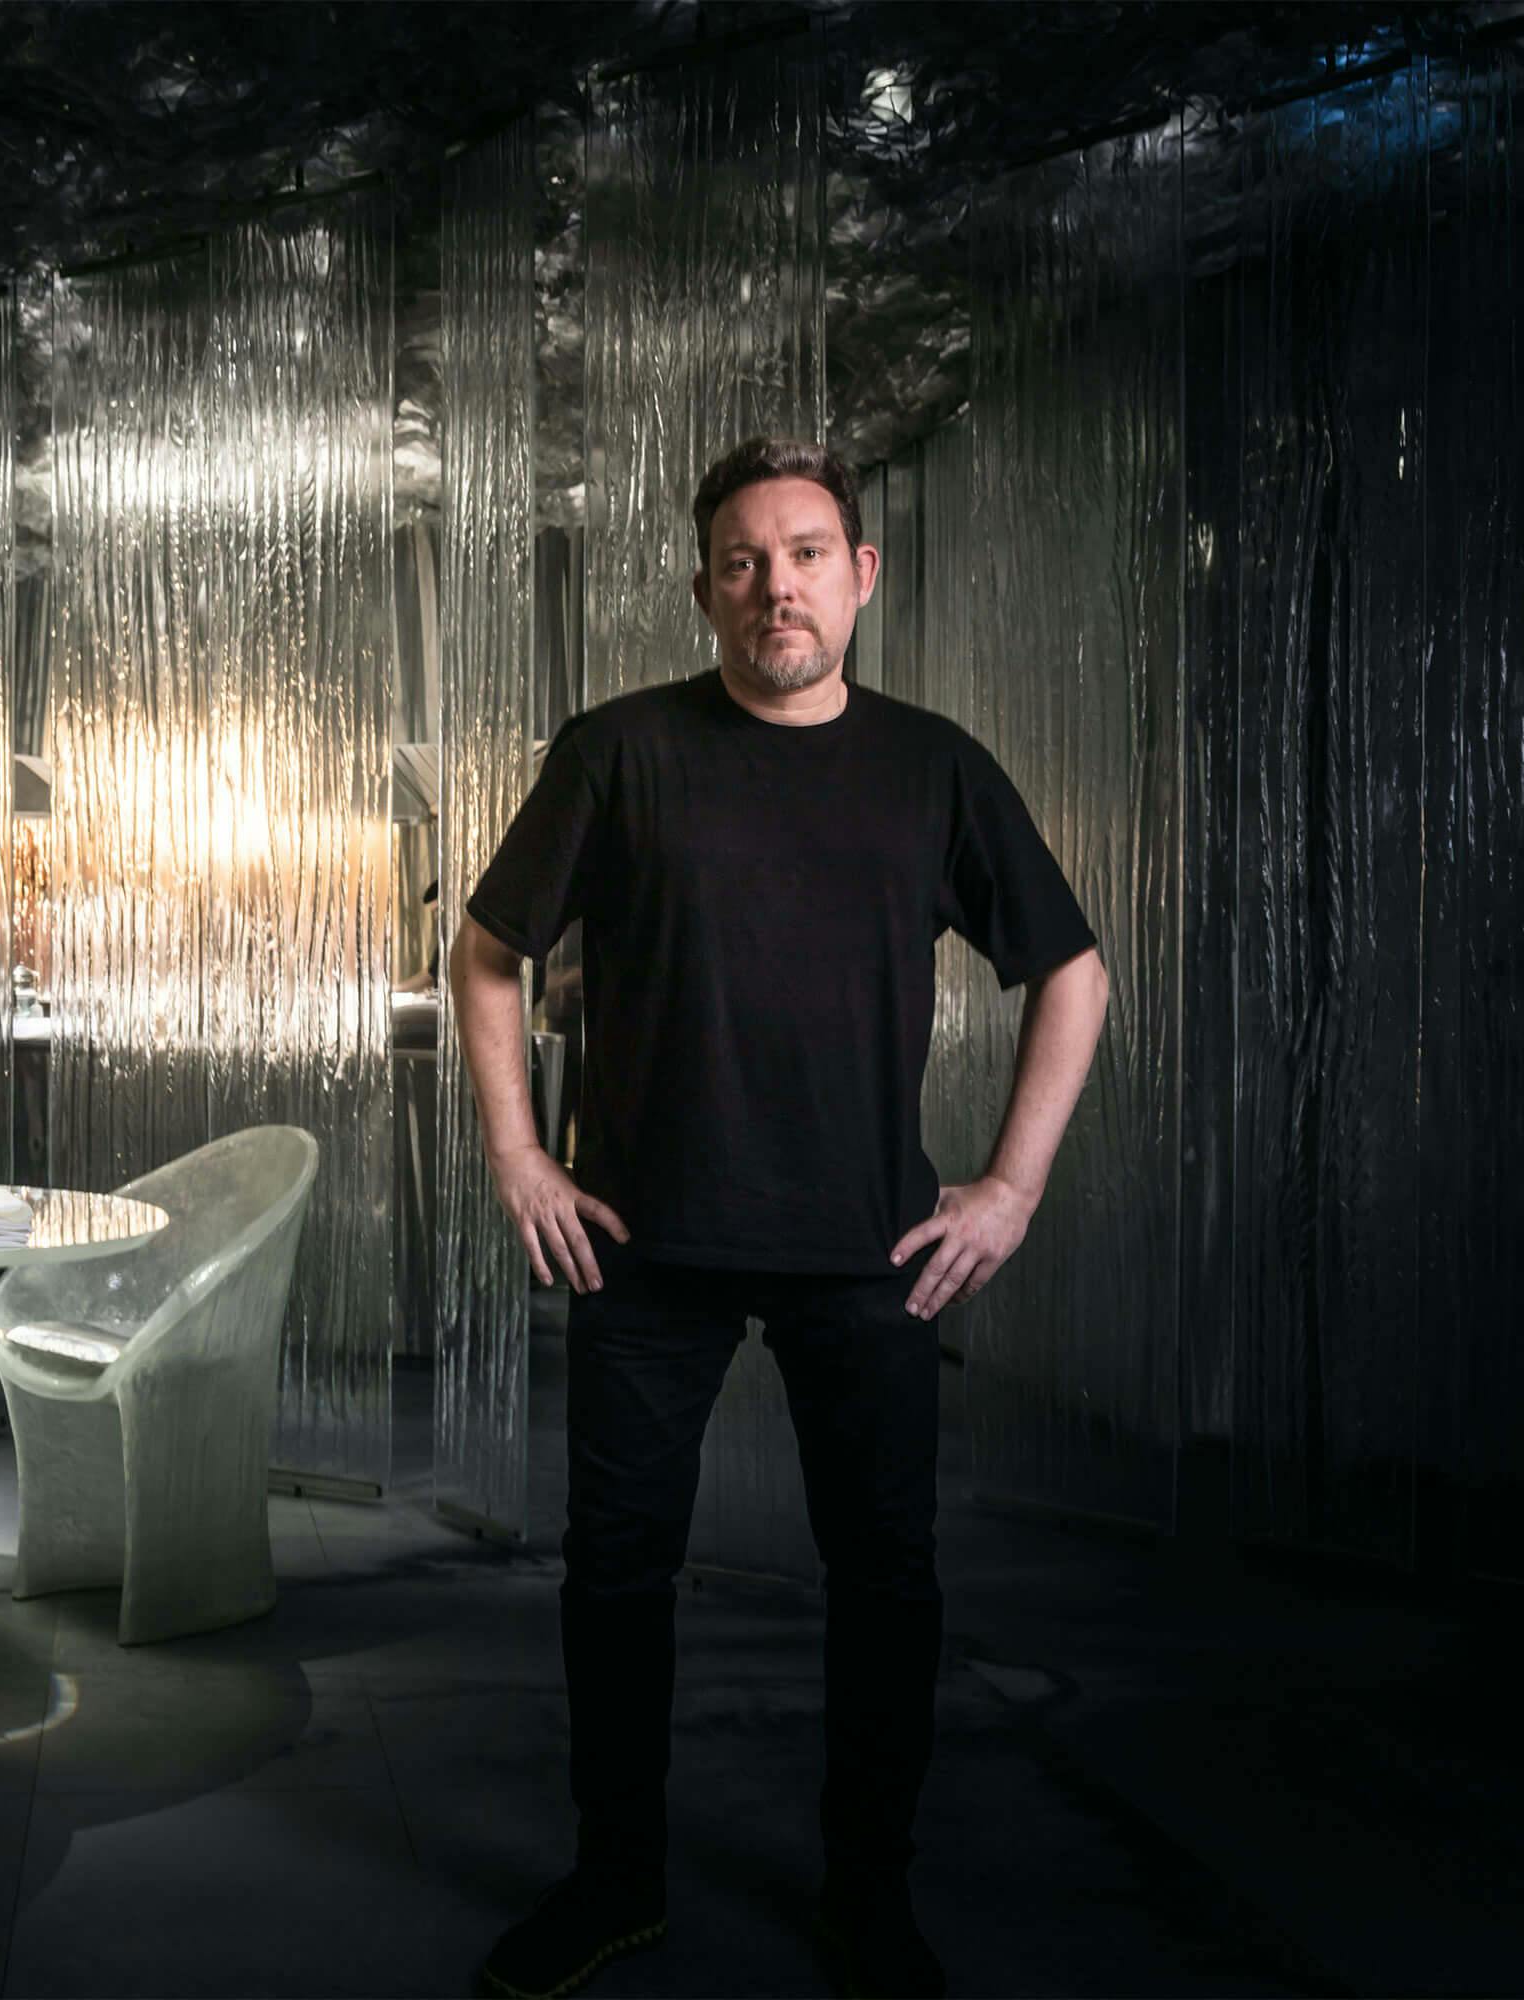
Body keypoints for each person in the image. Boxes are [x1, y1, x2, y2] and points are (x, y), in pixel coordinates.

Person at [453, 438, 1110, 2000]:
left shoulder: (933, 766)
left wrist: (1011, 1188)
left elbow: (1071, 970)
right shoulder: (616, 752)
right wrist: (519, 1161)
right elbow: (487, 957)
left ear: (860, 574)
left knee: (887, 1583)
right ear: (704, 588)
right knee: (615, 1575)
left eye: (807, 553)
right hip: (645, 1244)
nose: (777, 586)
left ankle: (866, 1896)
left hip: (865, 1253)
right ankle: (616, 1882)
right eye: (744, 561)